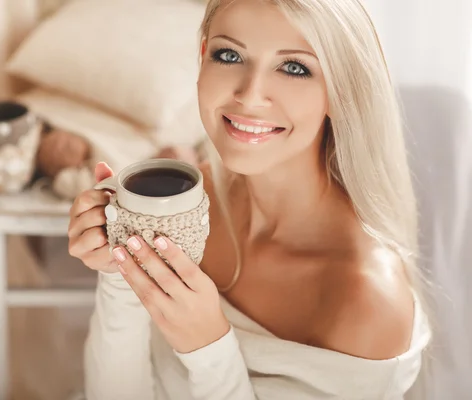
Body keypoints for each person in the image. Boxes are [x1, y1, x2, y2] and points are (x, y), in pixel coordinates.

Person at [67, 0, 432, 398]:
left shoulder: (366, 300)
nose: (250, 95)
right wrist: (120, 274)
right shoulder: (185, 208)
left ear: (340, 91)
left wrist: (207, 347)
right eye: (230, 55)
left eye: (294, 67)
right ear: (202, 56)